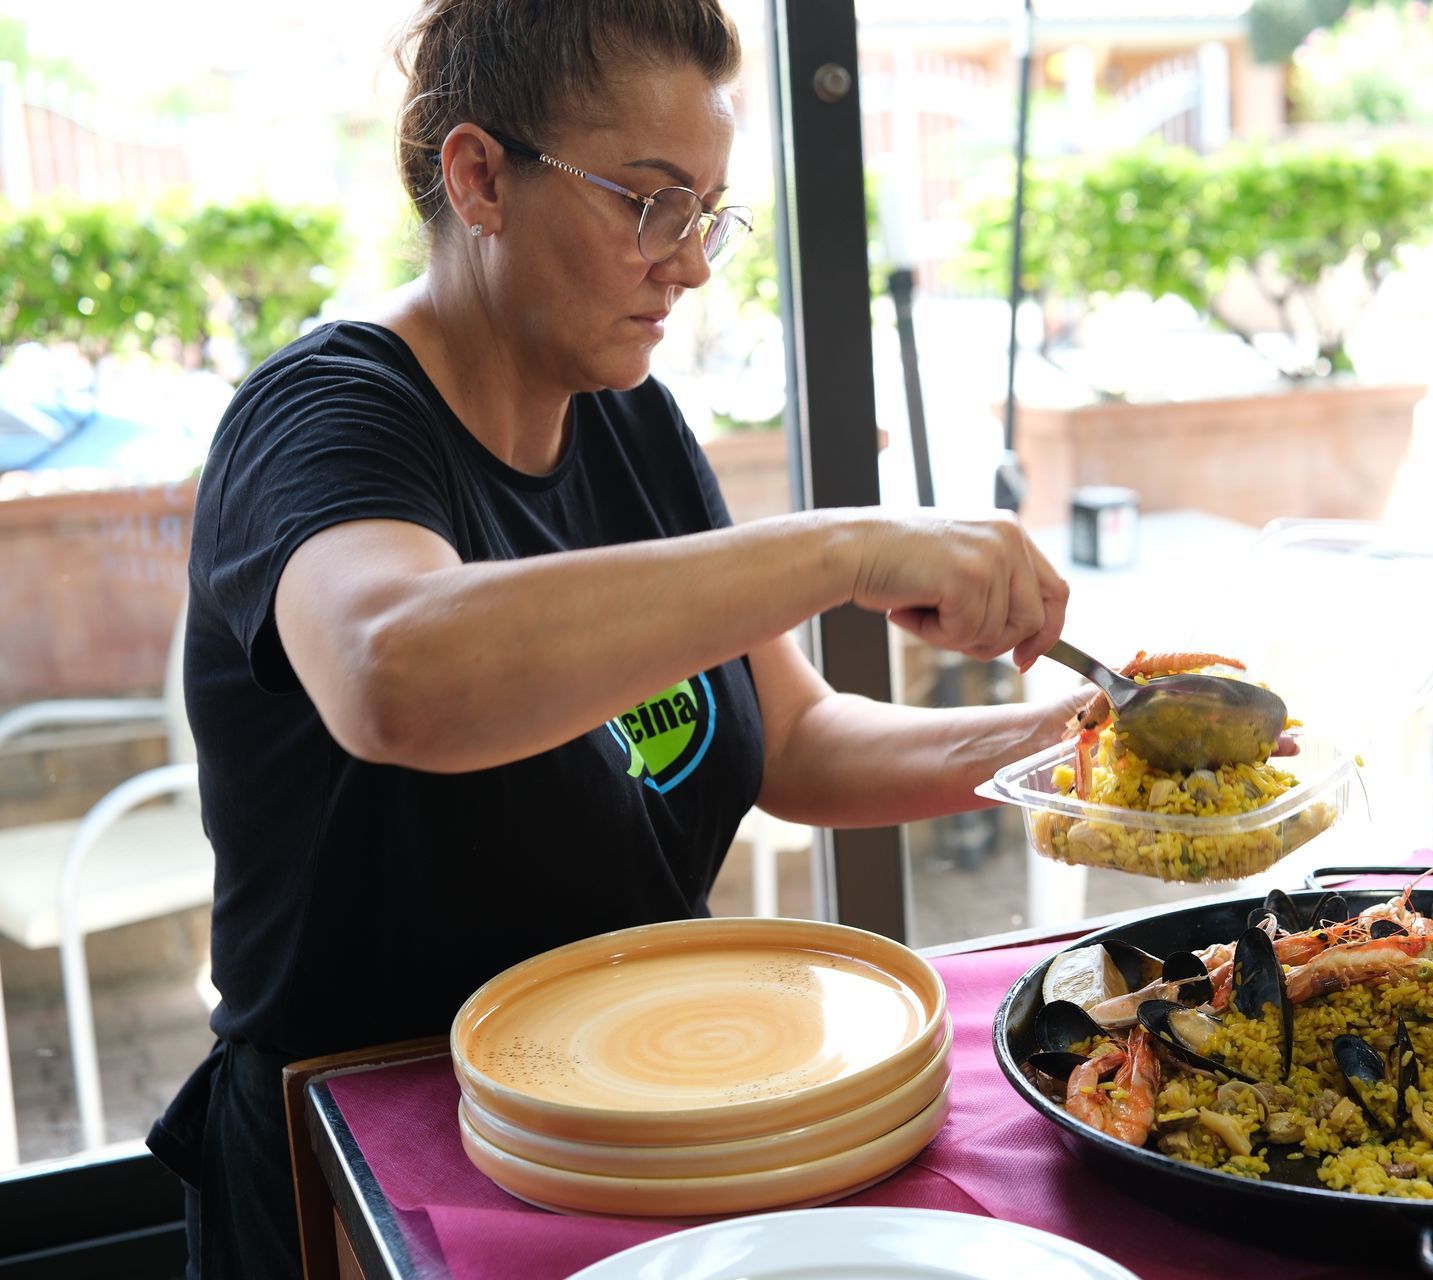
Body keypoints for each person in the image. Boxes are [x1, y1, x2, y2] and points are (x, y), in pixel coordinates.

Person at [146, 3, 1081, 1273]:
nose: (689, 263)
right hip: (376, 1142)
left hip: (660, 1119)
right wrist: (847, 545)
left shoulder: (628, 421)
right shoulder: (324, 416)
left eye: (707, 211)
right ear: (479, 176)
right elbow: (395, 671)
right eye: (649, 204)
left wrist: (1081, 743)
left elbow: (792, 739)